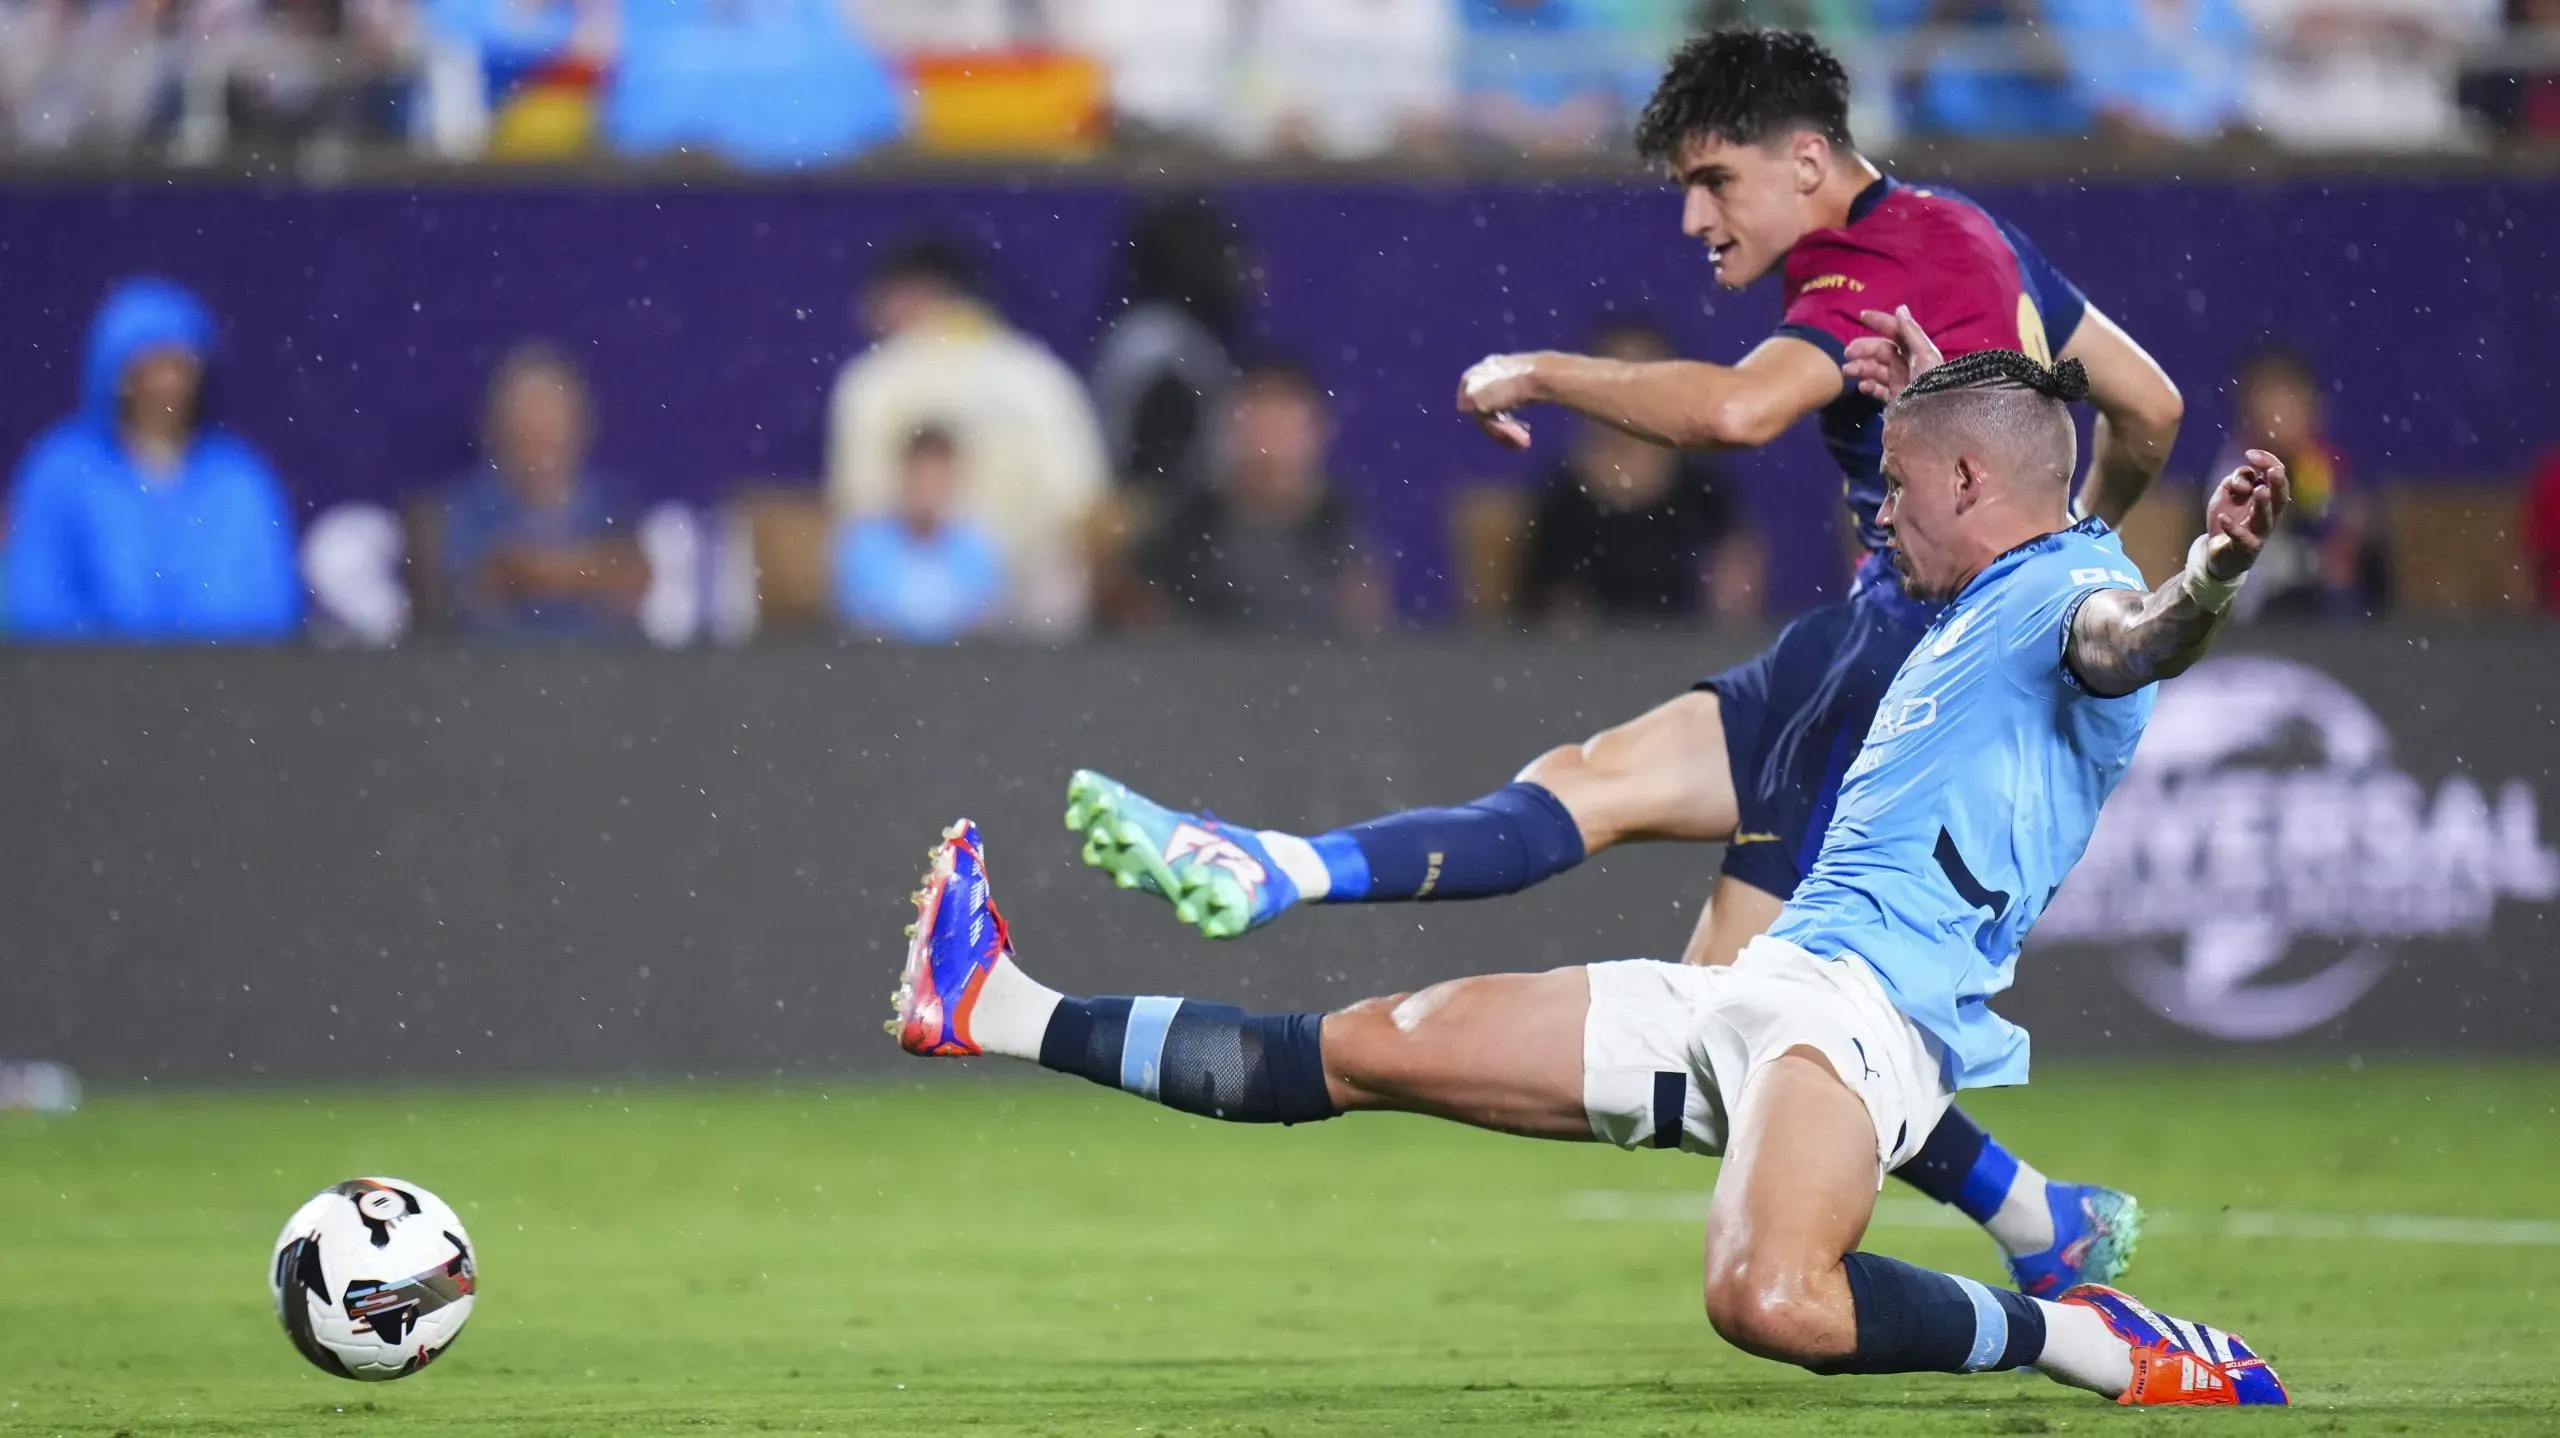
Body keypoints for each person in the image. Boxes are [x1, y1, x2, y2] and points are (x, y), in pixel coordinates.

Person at [894, 343, 2295, 1409]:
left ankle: (2086, 1340)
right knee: (1371, 1045)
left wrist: (2212, 577)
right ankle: (995, 1003)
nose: (1879, 516)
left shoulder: (2068, 590)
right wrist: (1913, 387)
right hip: (1766, 990)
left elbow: (2135, 637)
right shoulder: (1954, 600)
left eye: (1904, 489)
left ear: (1975, 484)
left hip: (1858, 1021)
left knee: (1769, 1296)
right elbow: (1967, 502)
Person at [1058, 31, 2188, 1297]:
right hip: (1870, 641)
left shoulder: (1878, 262)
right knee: (1603, 793)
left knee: (1726, 1009)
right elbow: (2149, 407)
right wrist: (2079, 533)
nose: (1696, 218)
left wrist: (1539, 371)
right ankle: (1278, 862)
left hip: (1901, 674)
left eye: (1716, 181)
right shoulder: (1958, 229)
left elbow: (1734, 413)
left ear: (1808, 159)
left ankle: (2032, 1229)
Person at [825, 236, 1108, 635]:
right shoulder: (1042, 375)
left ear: (915, 295)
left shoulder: (873, 383)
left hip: (1019, 612)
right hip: (917, 605)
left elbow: (857, 499)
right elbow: (1081, 495)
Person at [5, 276, 302, 641]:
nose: (166, 385)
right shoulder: (58, 470)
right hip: (86, 689)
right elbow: (37, 597)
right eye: (149, 368)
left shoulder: (240, 478)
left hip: (224, 689)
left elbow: (271, 602)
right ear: (115, 372)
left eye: (178, 367)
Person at [1518, 322, 1762, 627]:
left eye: (1645, 385)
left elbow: (1737, 595)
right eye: (1620, 385)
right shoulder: (1562, 498)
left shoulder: (1705, 492)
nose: (1633, 403)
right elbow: (1552, 612)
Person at [1140, 360, 1387, 636]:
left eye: (1283, 429)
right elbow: (1149, 636)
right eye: (1259, 425)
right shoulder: (1190, 526)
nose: (1268, 447)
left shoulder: (1340, 525)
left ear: (1318, 432)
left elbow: (1364, 631)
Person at [431, 341, 649, 639]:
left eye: (552, 435)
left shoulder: (612, 502)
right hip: (494, 671)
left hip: (596, 667)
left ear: (581, 430)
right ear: (495, 432)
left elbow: (631, 577)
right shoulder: (463, 505)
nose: (539, 455)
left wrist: (543, 572)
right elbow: (489, 579)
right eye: (525, 436)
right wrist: (584, 570)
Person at [2209, 346, 2380, 621]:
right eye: (2271, 403)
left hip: (2325, 614)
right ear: (2249, 412)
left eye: (2293, 402)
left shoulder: (2320, 464)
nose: (2282, 416)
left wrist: (2350, 535)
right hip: (2255, 616)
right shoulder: (2235, 471)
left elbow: (2339, 529)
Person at [832, 424, 1006, 643]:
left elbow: (982, 627)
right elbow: (860, 626)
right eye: (920, 477)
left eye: (937, 480)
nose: (928, 490)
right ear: (904, 478)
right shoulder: (863, 547)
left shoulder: (978, 551)